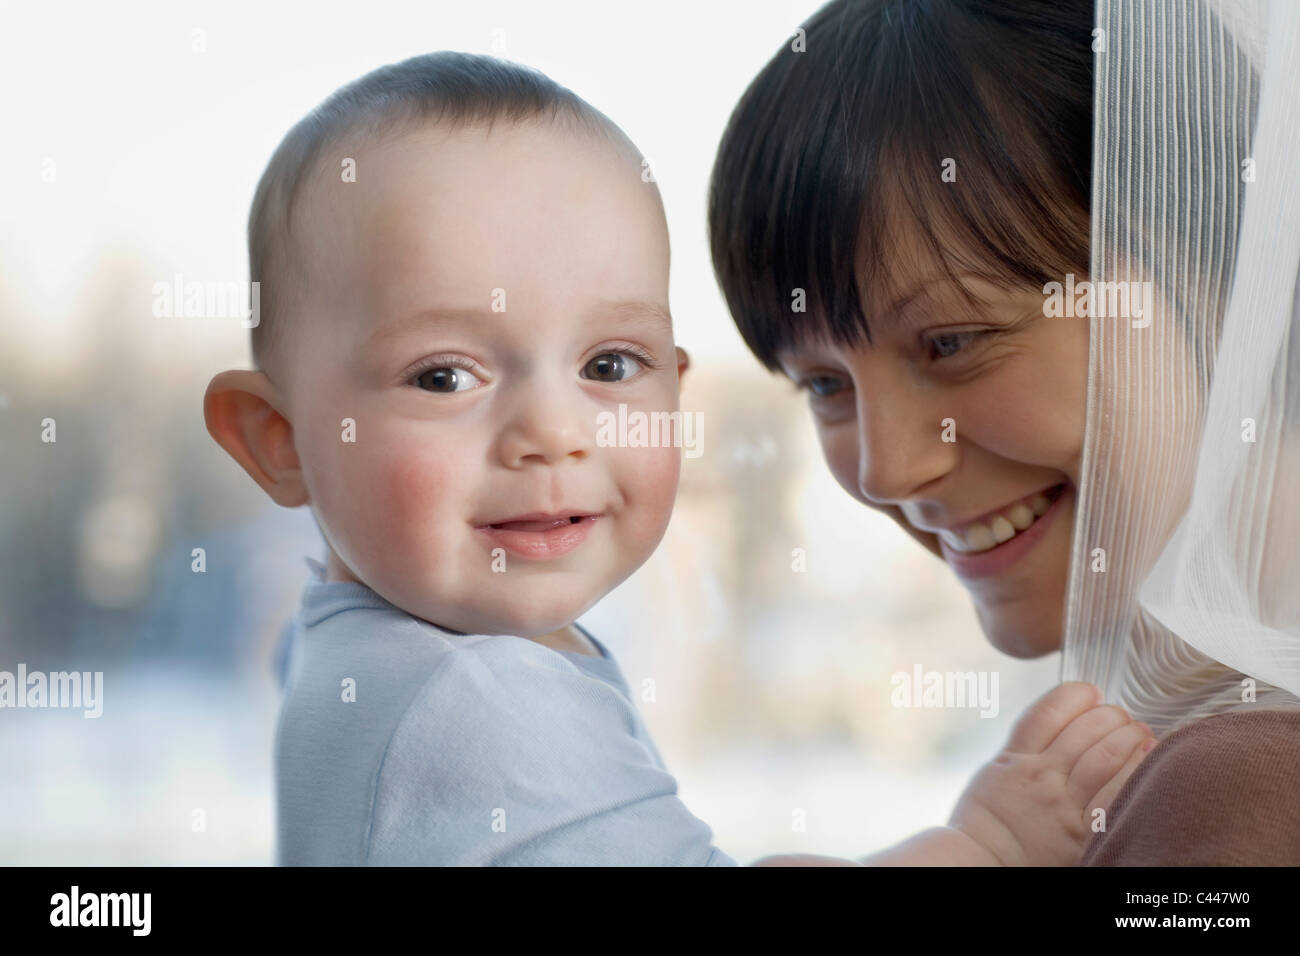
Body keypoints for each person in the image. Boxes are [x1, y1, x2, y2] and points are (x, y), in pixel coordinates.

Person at [203, 51, 1150, 866]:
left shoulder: (360, 652)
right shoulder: (472, 701)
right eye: (445, 377)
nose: (554, 433)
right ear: (278, 440)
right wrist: (985, 848)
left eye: (609, 365)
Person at [707, 0, 1300, 864]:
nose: (886, 470)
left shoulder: (1240, 791)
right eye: (824, 385)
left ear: (1226, 265)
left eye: (953, 342)